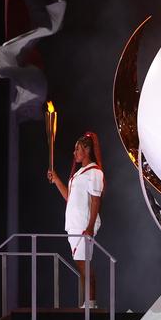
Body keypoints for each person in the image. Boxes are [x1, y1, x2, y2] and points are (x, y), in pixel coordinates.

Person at [47, 132, 104, 308]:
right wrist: (56, 180)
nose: (74, 153)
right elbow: (69, 198)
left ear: (86, 150)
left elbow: (96, 201)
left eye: (77, 149)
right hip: (74, 224)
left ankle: (91, 303)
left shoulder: (94, 172)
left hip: (84, 225)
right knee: (81, 266)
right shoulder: (79, 173)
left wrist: (90, 227)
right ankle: (88, 303)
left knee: (84, 265)